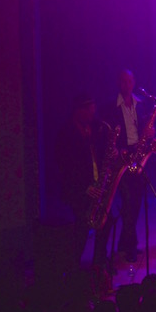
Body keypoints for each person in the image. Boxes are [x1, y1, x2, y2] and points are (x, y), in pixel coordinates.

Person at [97, 69, 155, 264]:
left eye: (129, 81)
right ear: (118, 83)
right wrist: (118, 149)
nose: (126, 84)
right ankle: (129, 245)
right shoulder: (110, 106)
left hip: (137, 153)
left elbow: (146, 127)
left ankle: (126, 242)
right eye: (123, 81)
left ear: (133, 82)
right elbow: (106, 133)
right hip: (122, 155)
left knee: (136, 202)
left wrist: (150, 132)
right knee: (128, 201)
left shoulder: (141, 104)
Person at [55, 93, 107, 268]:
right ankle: (73, 267)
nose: (93, 115)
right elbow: (65, 167)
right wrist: (85, 187)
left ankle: (99, 265)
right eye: (90, 111)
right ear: (79, 111)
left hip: (96, 185)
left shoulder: (93, 129)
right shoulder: (66, 133)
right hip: (78, 191)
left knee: (107, 221)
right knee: (81, 230)